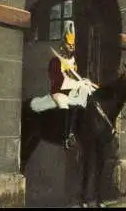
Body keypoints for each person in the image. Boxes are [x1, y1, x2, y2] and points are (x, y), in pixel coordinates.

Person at [30, 21, 96, 149]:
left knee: (86, 97)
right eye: (69, 44)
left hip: (71, 89)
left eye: (73, 45)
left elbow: (74, 77)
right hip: (59, 91)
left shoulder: (72, 61)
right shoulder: (56, 60)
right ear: (63, 43)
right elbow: (58, 80)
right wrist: (77, 83)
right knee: (65, 104)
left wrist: (84, 81)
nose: (71, 47)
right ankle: (67, 137)